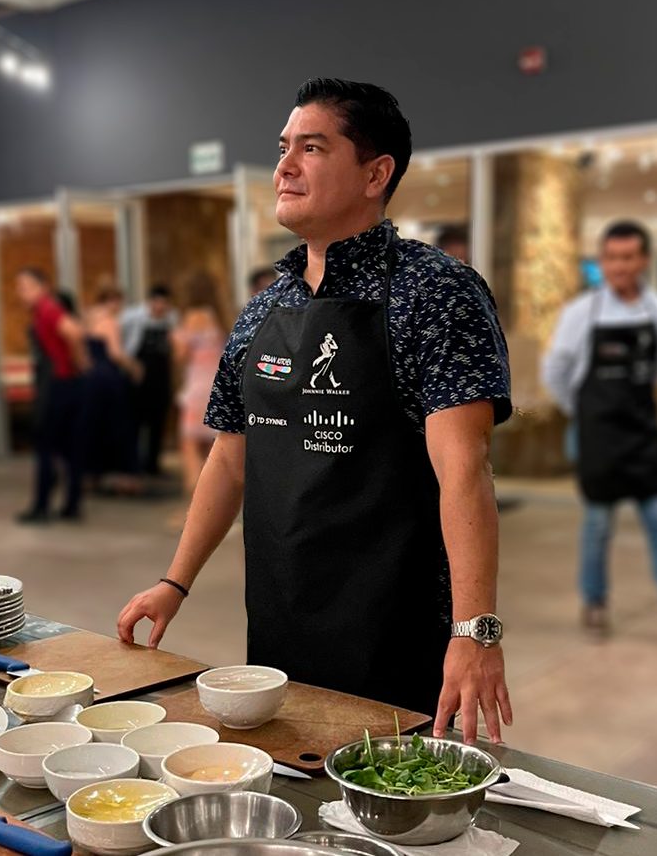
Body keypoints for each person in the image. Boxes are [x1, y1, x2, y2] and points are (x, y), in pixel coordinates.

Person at [118, 78, 515, 745]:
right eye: (283, 148)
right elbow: (230, 458)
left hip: (399, 626)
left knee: (394, 791)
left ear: (375, 174)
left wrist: (475, 631)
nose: (284, 167)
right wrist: (174, 582)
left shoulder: (436, 292)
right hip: (281, 619)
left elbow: (464, 469)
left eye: (312, 147)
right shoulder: (264, 309)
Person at [542, 220, 657, 634]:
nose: (619, 266)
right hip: (599, 436)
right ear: (603, 261)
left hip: (642, 433)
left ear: (643, 260)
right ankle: (594, 603)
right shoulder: (581, 313)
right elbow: (555, 371)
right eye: (611, 258)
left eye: (628, 257)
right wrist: (582, 410)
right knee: (597, 525)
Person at [15, 268, 90, 523]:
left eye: (26, 287)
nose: (21, 293)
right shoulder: (43, 311)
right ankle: (71, 505)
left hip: (57, 385)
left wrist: (79, 362)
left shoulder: (48, 309)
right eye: (20, 288)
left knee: (46, 446)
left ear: (43, 287)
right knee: (68, 447)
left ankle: (42, 507)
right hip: (62, 383)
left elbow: (73, 332)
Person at [171, 271, 227, 506]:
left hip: (196, 389)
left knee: (190, 446)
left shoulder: (191, 317)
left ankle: (194, 508)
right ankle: (212, 506)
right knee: (211, 454)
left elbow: (181, 356)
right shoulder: (221, 318)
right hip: (217, 389)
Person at [84, 284, 143, 493]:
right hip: (108, 378)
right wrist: (134, 367)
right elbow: (115, 353)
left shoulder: (88, 318)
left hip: (91, 378)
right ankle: (125, 477)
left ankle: (92, 474)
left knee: (95, 426)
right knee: (118, 425)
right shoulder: (110, 322)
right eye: (118, 301)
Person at [121, 285, 178, 475]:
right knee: (135, 421)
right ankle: (132, 463)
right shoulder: (134, 317)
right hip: (139, 374)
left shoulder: (172, 319)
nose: (160, 307)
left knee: (158, 421)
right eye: (157, 302)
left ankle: (152, 464)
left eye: (164, 303)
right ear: (150, 302)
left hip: (161, 376)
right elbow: (123, 343)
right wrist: (129, 365)